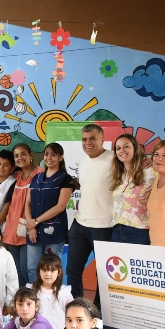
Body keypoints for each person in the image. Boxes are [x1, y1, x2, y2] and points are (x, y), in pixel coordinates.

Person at [67, 125, 114, 301]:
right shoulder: (83, 161)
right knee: (73, 270)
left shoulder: (114, 159)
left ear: (102, 140)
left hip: (104, 226)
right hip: (80, 224)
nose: (88, 142)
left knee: (102, 274)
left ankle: (98, 311)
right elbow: (86, 185)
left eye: (92, 138)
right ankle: (76, 306)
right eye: (84, 139)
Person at [24, 143, 73, 284]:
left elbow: (60, 206)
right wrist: (31, 226)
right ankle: (35, 295)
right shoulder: (36, 178)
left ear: (61, 157)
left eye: (53, 154)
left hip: (54, 231)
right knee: (32, 268)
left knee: (52, 269)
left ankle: (53, 294)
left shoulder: (66, 179)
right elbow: (27, 203)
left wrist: (36, 221)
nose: (49, 157)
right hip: (33, 230)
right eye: (46, 154)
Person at [2, 144, 43, 288]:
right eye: (16, 155)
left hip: (29, 227)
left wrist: (34, 224)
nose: (20, 158)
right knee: (16, 270)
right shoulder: (16, 176)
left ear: (31, 155)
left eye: (23, 154)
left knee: (28, 269)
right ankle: (20, 296)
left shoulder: (40, 173)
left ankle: (32, 297)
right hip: (13, 227)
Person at [110, 134, 155, 245]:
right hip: (117, 230)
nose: (122, 150)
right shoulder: (120, 174)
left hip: (140, 231)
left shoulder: (150, 170)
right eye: (118, 148)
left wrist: (155, 162)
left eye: (126, 146)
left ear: (135, 148)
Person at [33, 252, 74, 329]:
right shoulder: (32, 290)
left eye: (52, 270)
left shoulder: (64, 293)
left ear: (59, 272)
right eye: (44, 270)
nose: (48, 274)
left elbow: (74, 312)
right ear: (39, 271)